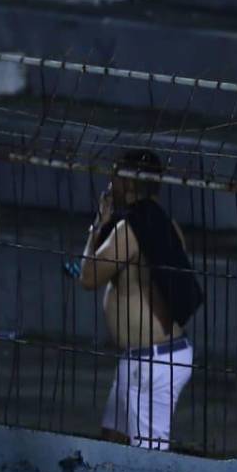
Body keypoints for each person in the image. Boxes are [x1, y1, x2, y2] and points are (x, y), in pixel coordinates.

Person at [78, 148, 203, 450]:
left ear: (128, 184)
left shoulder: (129, 229)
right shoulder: (166, 224)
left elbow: (88, 276)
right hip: (149, 357)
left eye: (115, 178)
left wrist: (98, 223)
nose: (110, 185)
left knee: (149, 458)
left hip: (153, 362)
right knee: (114, 440)